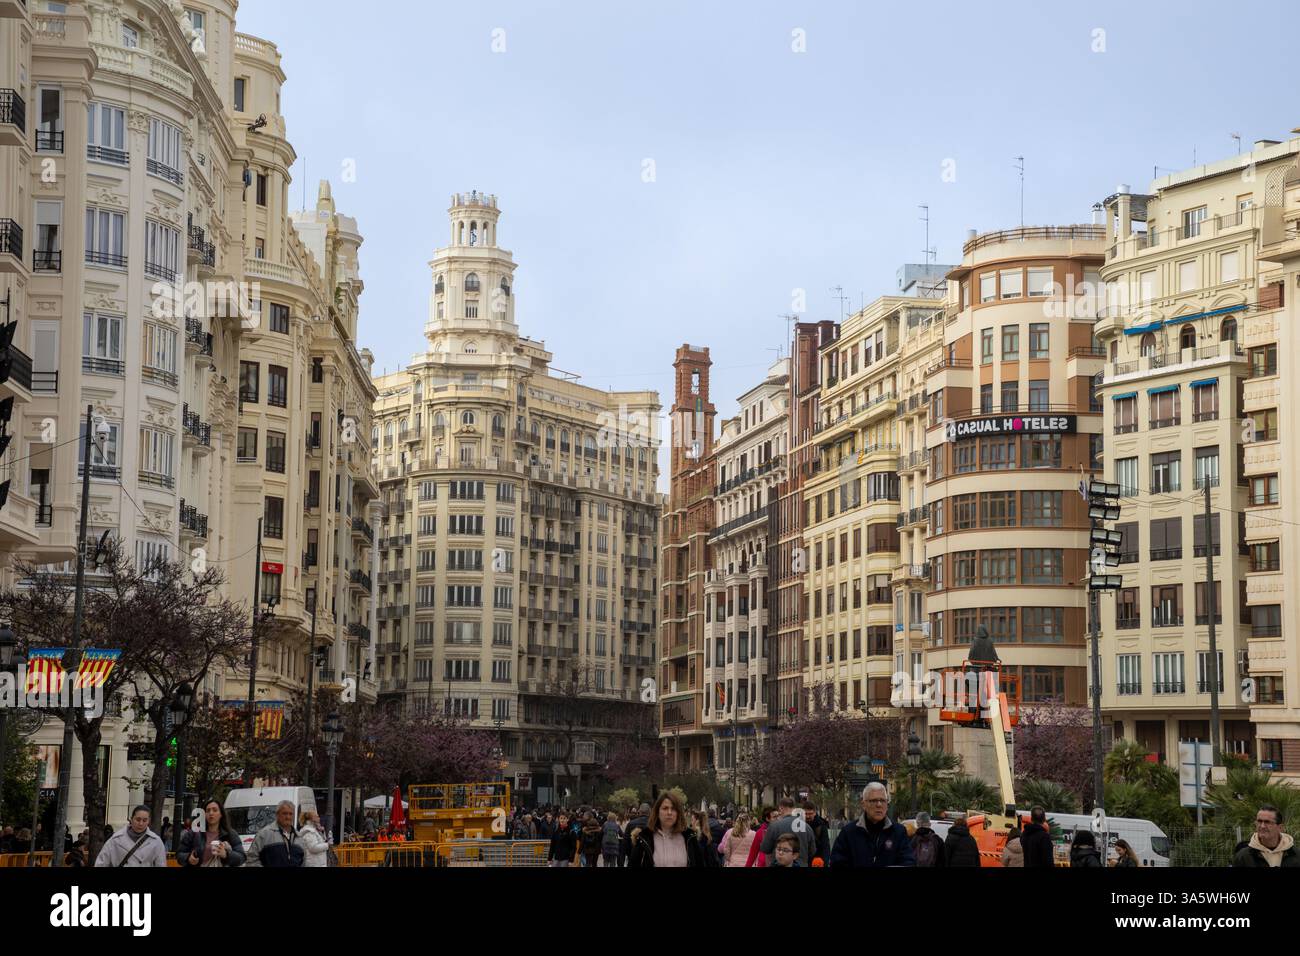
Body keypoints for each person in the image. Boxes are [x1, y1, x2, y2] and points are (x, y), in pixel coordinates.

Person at [830, 782, 915, 868]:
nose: (879, 805)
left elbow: (908, 862)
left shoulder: (899, 832)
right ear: (863, 804)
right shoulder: (848, 833)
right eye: (874, 801)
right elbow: (837, 862)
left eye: (882, 800)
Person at [627, 791, 714, 868]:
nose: (669, 812)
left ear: (678, 812)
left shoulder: (689, 837)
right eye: (665, 808)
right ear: (657, 811)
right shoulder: (645, 838)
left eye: (673, 809)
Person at [178, 798, 245, 868]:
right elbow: (179, 854)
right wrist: (188, 858)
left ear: (221, 814)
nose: (211, 813)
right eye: (208, 810)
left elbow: (241, 857)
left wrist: (226, 854)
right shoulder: (194, 833)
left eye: (215, 810)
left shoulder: (230, 834)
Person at [94, 806, 169, 867]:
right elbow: (101, 863)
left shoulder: (156, 841)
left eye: (144, 820)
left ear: (148, 821)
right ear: (131, 819)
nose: (141, 823)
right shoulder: (116, 839)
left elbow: (161, 864)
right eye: (138, 819)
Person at [1232, 804, 1299, 867]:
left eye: (1267, 822)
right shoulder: (1243, 857)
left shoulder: (1296, 855)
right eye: (1259, 821)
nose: (1262, 826)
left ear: (1280, 828)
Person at [760, 797, 816, 867]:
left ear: (781, 808)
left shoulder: (774, 826)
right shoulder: (807, 827)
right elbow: (812, 851)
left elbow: (765, 848)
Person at [245, 801, 304, 867]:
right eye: (284, 813)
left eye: (291, 814)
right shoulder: (264, 834)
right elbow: (251, 861)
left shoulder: (299, 837)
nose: (288, 817)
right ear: (277, 815)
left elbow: (304, 862)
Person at [619, 802, 650, 867]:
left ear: (639, 812)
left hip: (633, 857)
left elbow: (625, 844)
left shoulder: (631, 824)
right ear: (649, 812)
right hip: (649, 859)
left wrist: (622, 861)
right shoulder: (654, 824)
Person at [802, 800, 831, 866]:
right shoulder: (798, 824)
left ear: (815, 813)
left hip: (816, 861)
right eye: (806, 814)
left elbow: (825, 846)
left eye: (810, 814)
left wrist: (824, 863)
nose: (808, 816)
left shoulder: (821, 825)